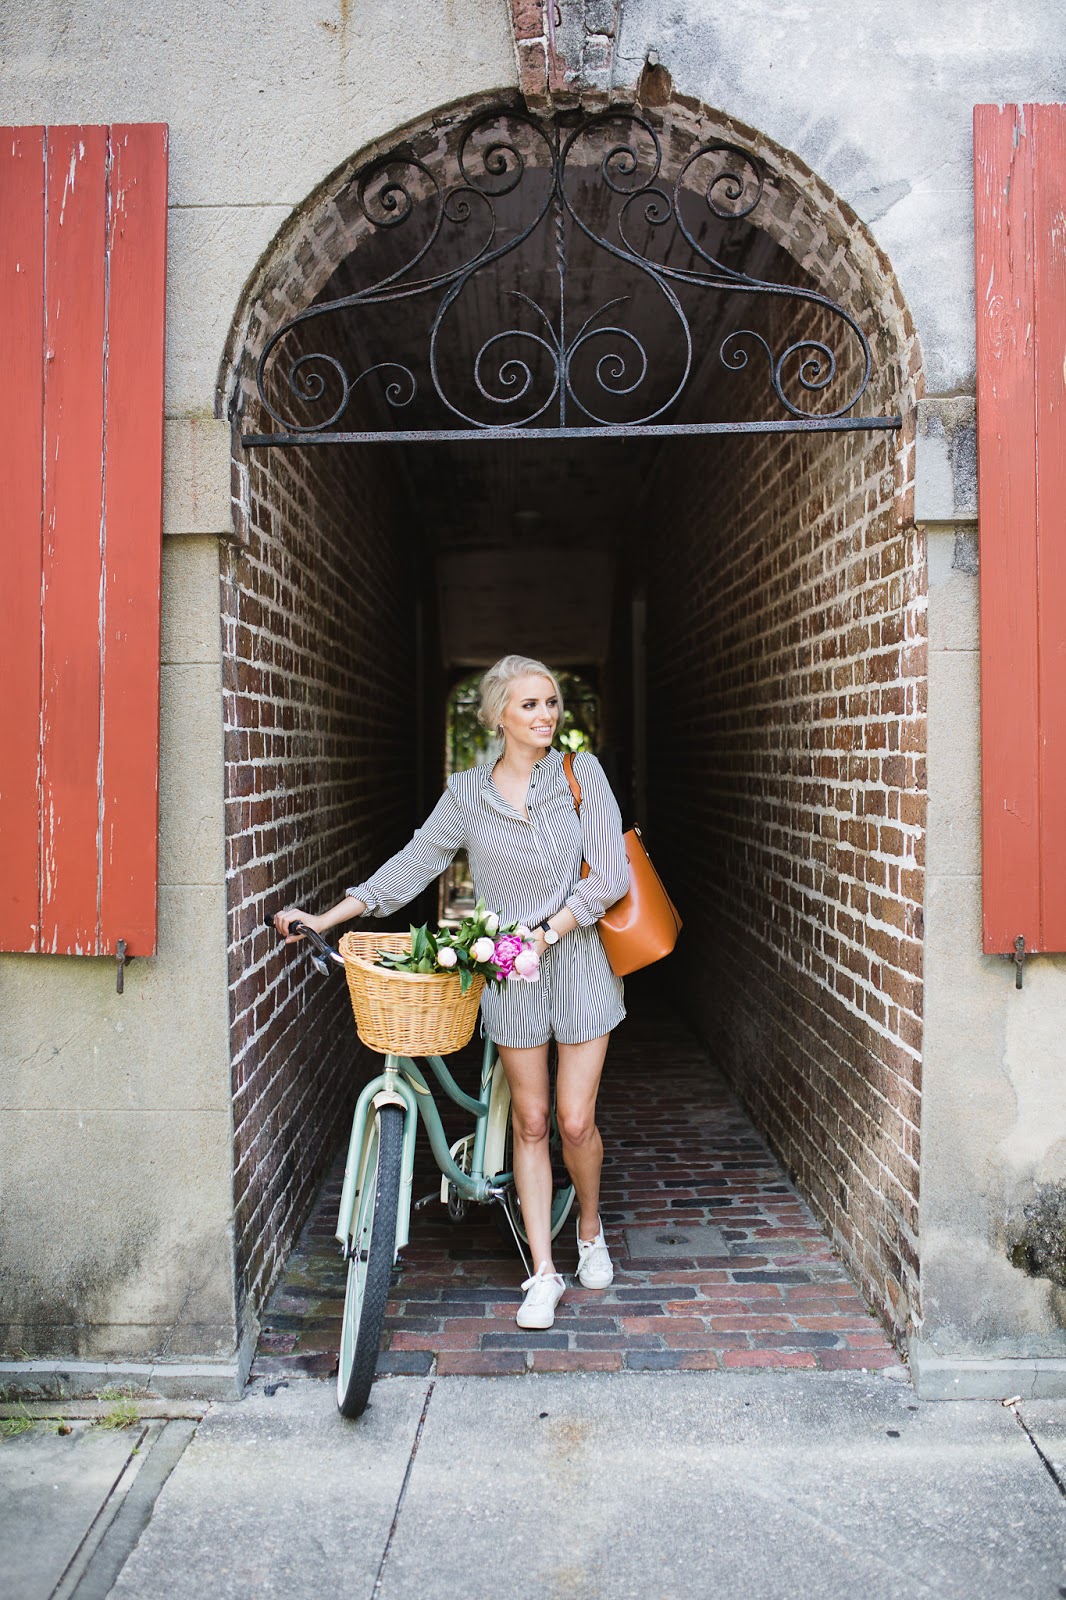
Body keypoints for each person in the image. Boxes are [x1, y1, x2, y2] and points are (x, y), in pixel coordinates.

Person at [274, 654, 630, 1331]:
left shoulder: (581, 775)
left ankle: (589, 1228)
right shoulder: (467, 795)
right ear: (500, 715)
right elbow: (415, 863)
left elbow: (609, 874)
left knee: (574, 1120)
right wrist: (328, 917)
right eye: (529, 705)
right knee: (530, 1121)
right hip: (509, 976)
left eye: (551, 702)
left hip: (580, 962)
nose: (546, 715)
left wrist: (546, 935)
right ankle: (544, 1273)